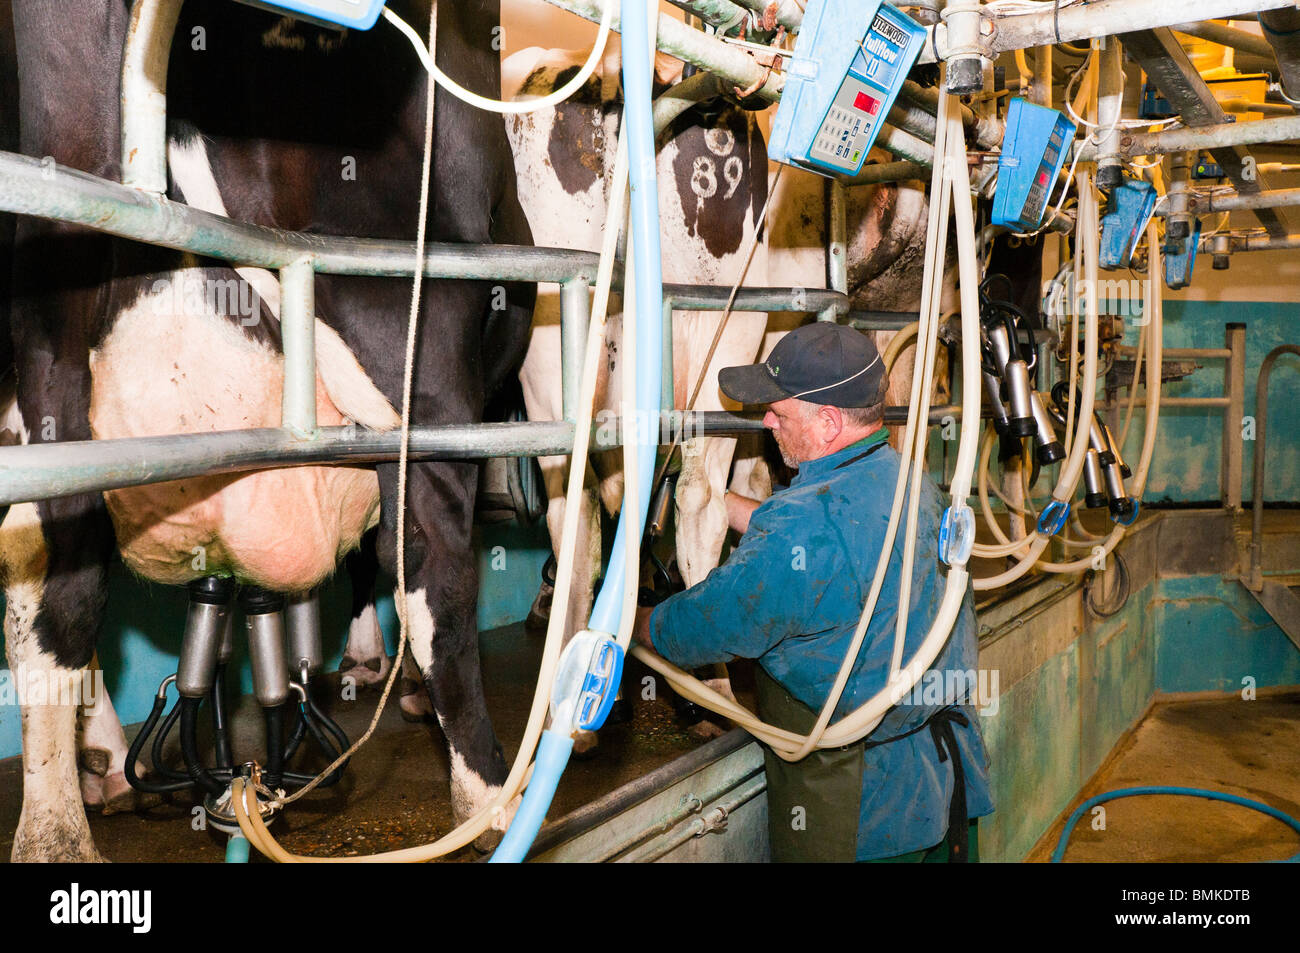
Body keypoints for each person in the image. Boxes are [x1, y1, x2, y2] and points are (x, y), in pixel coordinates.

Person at [633, 322, 993, 862]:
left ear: (827, 423)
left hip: (863, 819)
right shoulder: (911, 481)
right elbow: (838, 551)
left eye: (779, 410)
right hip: (945, 787)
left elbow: (699, 630)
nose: (767, 421)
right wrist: (720, 503)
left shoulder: (800, 532)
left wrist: (631, 622)